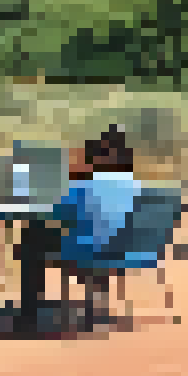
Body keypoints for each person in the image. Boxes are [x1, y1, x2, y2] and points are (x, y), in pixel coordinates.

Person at [54, 127, 142, 329]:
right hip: (126, 252)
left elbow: (59, 214)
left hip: (86, 253)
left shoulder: (83, 187)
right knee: (103, 239)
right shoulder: (135, 186)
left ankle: (35, 306)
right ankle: (97, 306)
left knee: (34, 244)